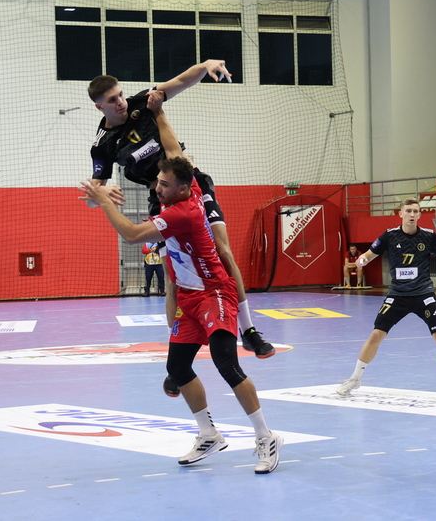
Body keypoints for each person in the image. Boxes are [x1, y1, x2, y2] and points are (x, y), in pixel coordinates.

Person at [78, 104, 283, 473]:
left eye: (164, 185)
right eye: (158, 181)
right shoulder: (182, 188)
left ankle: (266, 436)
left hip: (214, 292)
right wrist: (158, 114)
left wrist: (104, 200)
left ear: (185, 189)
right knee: (176, 365)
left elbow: (131, 235)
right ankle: (209, 434)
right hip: (189, 297)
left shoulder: (182, 212)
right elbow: (172, 148)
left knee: (226, 364)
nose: (158, 187)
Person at [87, 63, 275, 361]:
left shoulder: (142, 103)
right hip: (159, 197)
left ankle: (249, 331)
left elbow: (181, 81)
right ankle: (177, 351)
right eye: (112, 100)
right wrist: (101, 195)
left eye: (120, 94)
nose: (121, 102)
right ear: (100, 107)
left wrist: (204, 66)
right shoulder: (103, 145)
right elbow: (92, 194)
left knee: (223, 251)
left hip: (192, 185)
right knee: (172, 277)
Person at [336, 198, 436, 397]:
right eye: (408, 211)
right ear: (401, 214)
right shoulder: (390, 236)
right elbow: (370, 254)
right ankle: (355, 378)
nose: (412, 214)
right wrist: (362, 259)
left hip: (423, 294)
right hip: (397, 295)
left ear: (420, 214)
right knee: (376, 335)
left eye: (415, 211)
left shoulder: (429, 236)